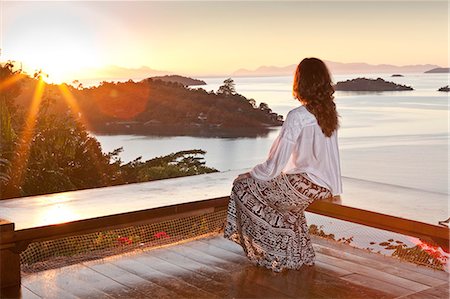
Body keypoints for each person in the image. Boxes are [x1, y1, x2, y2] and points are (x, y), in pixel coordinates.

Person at [224, 57, 342, 272]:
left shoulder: (298, 115)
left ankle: (273, 252)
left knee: (241, 188)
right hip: (326, 184)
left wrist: (251, 175)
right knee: (284, 207)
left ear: (301, 82)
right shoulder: (328, 112)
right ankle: (296, 255)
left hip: (308, 183)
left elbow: (275, 164)